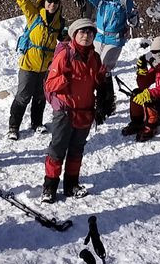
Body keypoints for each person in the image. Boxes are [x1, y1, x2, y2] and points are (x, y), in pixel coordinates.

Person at [41, 18, 113, 202]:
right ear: (74, 34)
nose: (86, 36)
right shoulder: (65, 55)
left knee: (76, 150)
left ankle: (71, 185)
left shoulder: (94, 57)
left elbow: (95, 80)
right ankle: (49, 187)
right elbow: (49, 84)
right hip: (65, 111)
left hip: (85, 111)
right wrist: (66, 79)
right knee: (57, 150)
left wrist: (104, 82)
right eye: (82, 32)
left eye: (90, 33)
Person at [0, 0, 66, 141]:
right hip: (29, 64)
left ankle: (37, 124)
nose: (52, 4)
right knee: (23, 96)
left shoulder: (59, 22)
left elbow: (66, 39)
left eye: (55, 1)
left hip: (46, 67)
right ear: (44, 1)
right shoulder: (34, 15)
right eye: (49, 1)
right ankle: (13, 127)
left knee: (40, 97)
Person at [75, 0, 137, 73]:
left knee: (103, 70)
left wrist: (132, 21)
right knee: (92, 65)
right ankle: (90, 90)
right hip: (98, 37)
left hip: (115, 40)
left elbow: (132, 19)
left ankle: (102, 90)